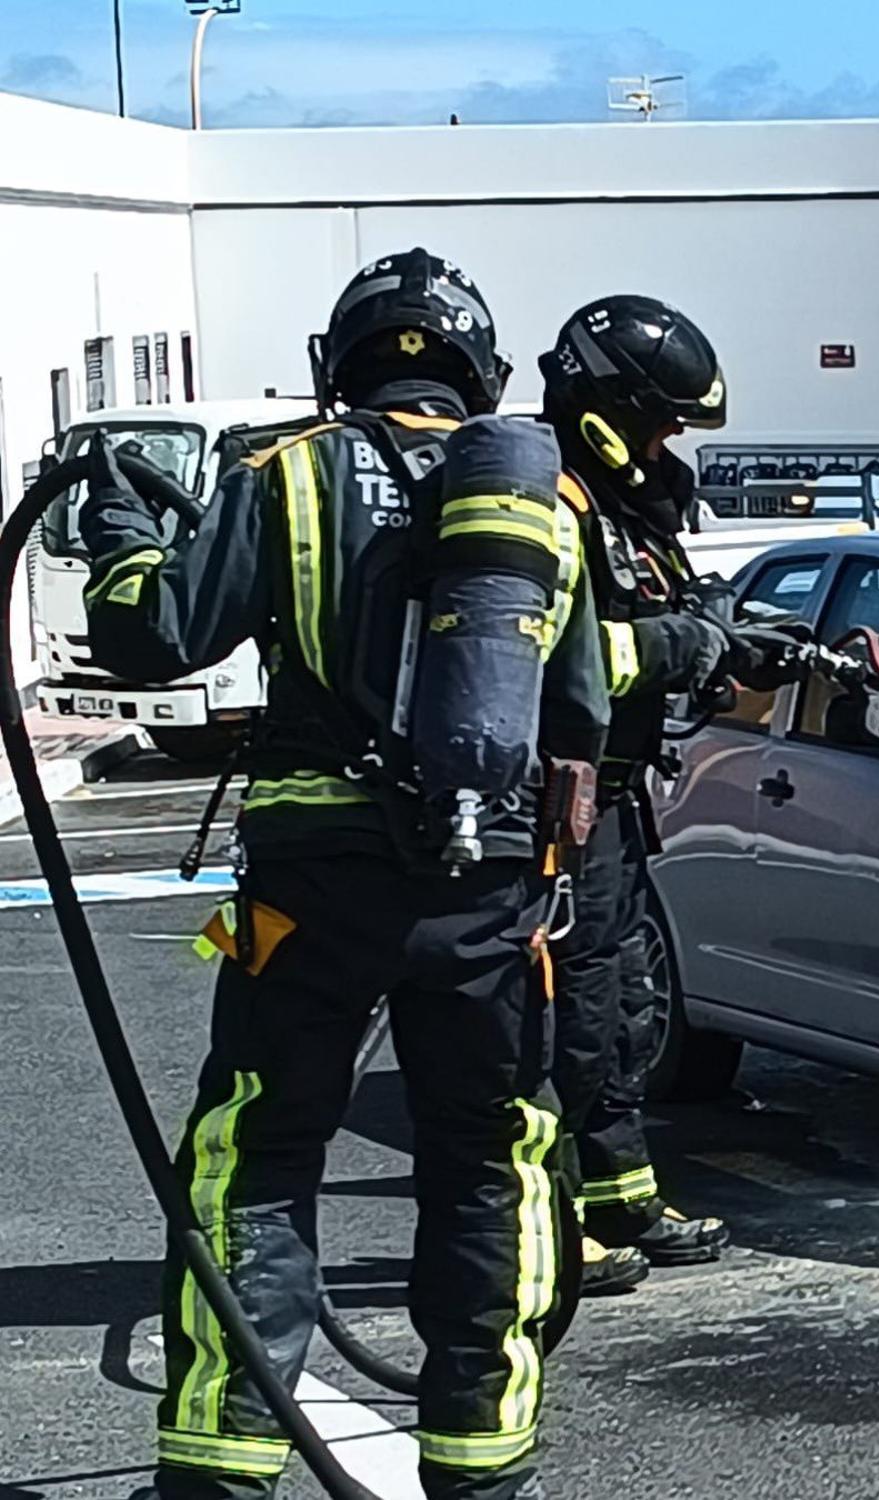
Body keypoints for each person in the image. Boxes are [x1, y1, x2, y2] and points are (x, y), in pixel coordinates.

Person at [81, 249, 609, 1500]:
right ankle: (483, 1469)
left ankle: (220, 1465)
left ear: (341, 362)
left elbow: (152, 635)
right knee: (495, 1160)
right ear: (477, 373)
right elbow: (589, 709)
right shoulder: (545, 500)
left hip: (310, 890)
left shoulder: (285, 471)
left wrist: (120, 524)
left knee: (255, 1156)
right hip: (485, 895)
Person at [538, 295, 753, 1294]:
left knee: (620, 1006)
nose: (669, 443)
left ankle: (621, 1197)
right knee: (562, 1022)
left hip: (615, 805)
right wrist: (670, 645)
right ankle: (551, 1229)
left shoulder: (628, 508)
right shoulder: (544, 504)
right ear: (606, 407)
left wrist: (717, 640)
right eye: (660, 421)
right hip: (549, 813)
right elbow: (547, 659)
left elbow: (658, 617)